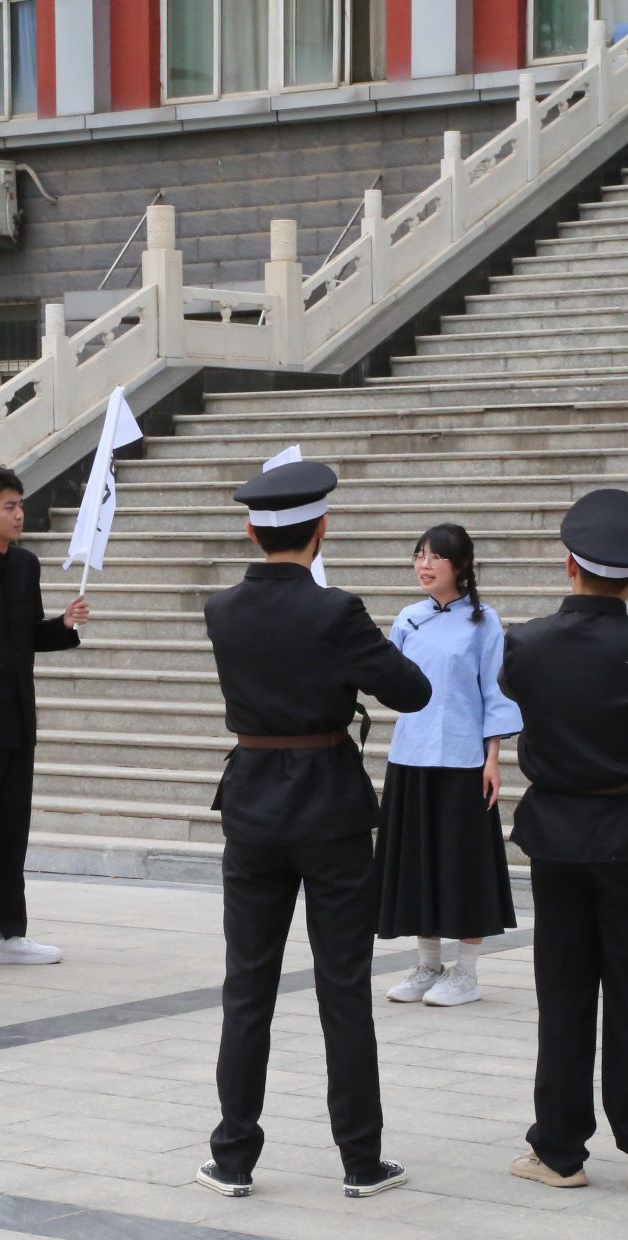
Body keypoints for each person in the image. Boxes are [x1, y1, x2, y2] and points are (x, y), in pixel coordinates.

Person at [198, 458, 431, 1200]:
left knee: (247, 987)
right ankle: (360, 1159)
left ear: (251, 532)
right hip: (329, 808)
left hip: (252, 807)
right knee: (343, 986)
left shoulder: (222, 609)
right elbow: (412, 691)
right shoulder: (336, 612)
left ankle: (233, 1156)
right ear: (321, 528)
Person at [499, 490, 628, 1193]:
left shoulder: (527, 641)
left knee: (563, 994)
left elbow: (513, 686)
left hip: (558, 834)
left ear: (569, 564)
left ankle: (558, 1150)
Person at [0, 466, 87, 977]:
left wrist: (64, 626)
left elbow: (27, 635)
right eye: (9, 506)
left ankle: (6, 931)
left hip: (19, 718)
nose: (19, 513)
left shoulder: (26, 565)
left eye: (21, 504)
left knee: (10, 831)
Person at [377, 523, 521, 1008]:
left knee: (464, 864)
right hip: (411, 756)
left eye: (435, 557)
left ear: (460, 566)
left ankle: (467, 972)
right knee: (419, 862)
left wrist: (493, 759)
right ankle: (428, 964)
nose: (424, 565)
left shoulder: (485, 622)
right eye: (419, 555)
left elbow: (495, 693)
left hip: (464, 760)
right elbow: (391, 682)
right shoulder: (408, 618)